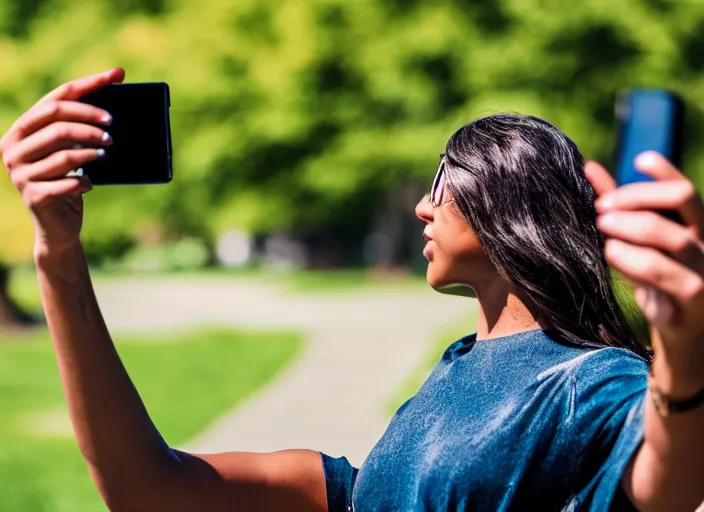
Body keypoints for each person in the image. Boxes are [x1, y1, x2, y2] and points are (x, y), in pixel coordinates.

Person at [1, 68, 703, 512]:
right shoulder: (456, 372)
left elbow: (667, 488)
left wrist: (684, 345)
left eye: (443, 183)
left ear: (507, 203)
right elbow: (144, 488)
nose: (423, 208)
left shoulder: (590, 379)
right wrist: (59, 258)